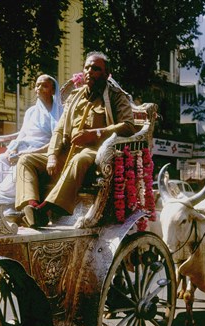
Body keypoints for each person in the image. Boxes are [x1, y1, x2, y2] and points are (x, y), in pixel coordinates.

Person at [15, 51, 136, 227]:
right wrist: (52, 156)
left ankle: (46, 208)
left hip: (96, 152)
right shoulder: (75, 96)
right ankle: (31, 207)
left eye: (95, 69)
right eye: (87, 67)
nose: (89, 72)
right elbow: (59, 129)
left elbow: (128, 125)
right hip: (68, 151)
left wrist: (96, 133)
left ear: (106, 73)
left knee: (79, 158)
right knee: (26, 160)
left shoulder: (116, 96)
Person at [0, 74, 62, 202]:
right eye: (37, 85)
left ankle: (3, 201)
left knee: (22, 162)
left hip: (42, 152)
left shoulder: (61, 112)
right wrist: (12, 150)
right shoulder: (30, 112)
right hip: (23, 148)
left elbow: (57, 142)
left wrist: (27, 152)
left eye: (44, 85)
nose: (38, 88)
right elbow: (22, 135)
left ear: (53, 90)